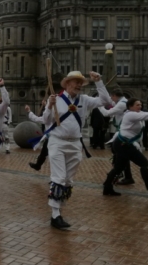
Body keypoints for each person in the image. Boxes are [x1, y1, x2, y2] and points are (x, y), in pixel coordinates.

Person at [42, 70, 111, 230]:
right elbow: (46, 120)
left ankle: (58, 210)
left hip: (75, 144)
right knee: (59, 177)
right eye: (76, 81)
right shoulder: (56, 99)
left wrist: (99, 81)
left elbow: (105, 101)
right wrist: (49, 106)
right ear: (67, 84)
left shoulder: (85, 100)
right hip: (57, 142)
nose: (79, 85)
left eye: (81, 82)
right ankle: (55, 215)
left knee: (68, 180)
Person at [102, 99, 148, 197]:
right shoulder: (130, 115)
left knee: (118, 168)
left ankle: (107, 187)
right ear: (130, 106)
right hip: (124, 144)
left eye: (140, 104)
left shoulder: (137, 113)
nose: (140, 106)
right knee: (144, 164)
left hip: (122, 144)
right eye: (137, 105)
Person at [99, 90, 134, 185]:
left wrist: (99, 105)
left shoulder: (122, 104)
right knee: (121, 155)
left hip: (123, 132)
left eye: (112, 97)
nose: (111, 99)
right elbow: (111, 102)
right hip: (123, 131)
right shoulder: (123, 101)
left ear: (115, 95)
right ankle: (126, 176)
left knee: (119, 154)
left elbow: (107, 113)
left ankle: (118, 175)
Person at [27, 100, 49, 171]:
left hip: (56, 139)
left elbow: (36, 118)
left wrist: (29, 111)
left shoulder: (51, 116)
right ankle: (38, 165)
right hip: (51, 138)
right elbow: (38, 118)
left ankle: (57, 179)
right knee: (44, 152)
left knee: (55, 157)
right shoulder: (49, 116)